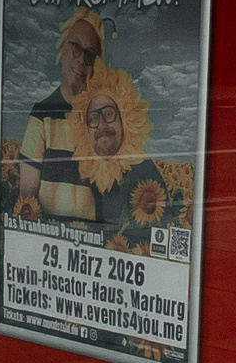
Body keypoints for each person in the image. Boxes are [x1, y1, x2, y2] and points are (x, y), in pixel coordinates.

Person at [15, 7, 108, 223]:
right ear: (63, 49)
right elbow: (27, 195)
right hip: (50, 234)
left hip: (93, 240)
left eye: (89, 54)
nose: (81, 60)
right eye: (76, 47)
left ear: (95, 65)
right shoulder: (42, 113)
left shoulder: (101, 119)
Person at [71, 67, 169, 241]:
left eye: (108, 114)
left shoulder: (146, 174)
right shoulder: (82, 175)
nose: (101, 125)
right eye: (93, 118)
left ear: (126, 119)